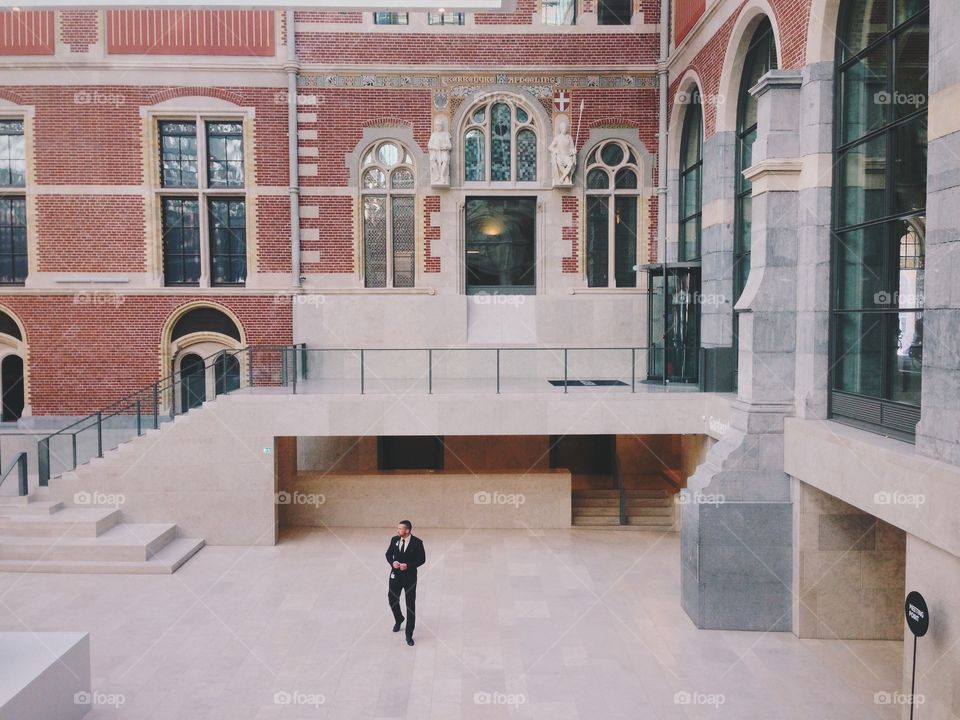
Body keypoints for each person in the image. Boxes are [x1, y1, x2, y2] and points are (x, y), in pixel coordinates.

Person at [385, 520, 426, 646]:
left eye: (400, 529)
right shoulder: (394, 540)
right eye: (397, 528)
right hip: (395, 576)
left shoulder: (417, 543)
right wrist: (393, 562)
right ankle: (399, 619)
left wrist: (408, 566)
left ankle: (409, 634)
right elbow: (388, 554)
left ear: (407, 530)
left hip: (409, 578)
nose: (397, 531)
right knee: (392, 599)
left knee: (410, 606)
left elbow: (422, 560)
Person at [549, 114, 577, 185]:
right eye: (563, 128)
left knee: (570, 164)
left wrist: (574, 151)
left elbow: (572, 148)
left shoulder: (569, 137)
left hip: (567, 155)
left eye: (565, 128)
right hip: (560, 155)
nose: (565, 129)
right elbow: (550, 147)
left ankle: (562, 178)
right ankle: (566, 178)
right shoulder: (557, 138)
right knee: (559, 163)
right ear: (561, 129)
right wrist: (555, 150)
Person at [428, 115, 452, 185]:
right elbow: (429, 145)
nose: (439, 127)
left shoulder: (446, 134)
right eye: (437, 125)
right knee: (432, 159)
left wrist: (444, 146)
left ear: (442, 126)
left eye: (440, 125)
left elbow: (450, 146)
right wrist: (434, 147)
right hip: (435, 152)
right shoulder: (433, 135)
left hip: (443, 151)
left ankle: (442, 175)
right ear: (435, 126)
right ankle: (437, 174)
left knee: (445, 160)